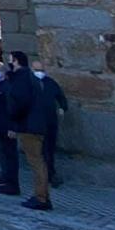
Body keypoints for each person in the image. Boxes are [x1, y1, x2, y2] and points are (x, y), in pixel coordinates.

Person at [7, 51, 52, 210]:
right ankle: (42, 195)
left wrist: (13, 119)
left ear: (17, 61)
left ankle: (41, 198)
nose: (9, 63)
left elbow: (21, 102)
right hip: (34, 124)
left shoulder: (22, 79)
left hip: (29, 126)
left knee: (36, 162)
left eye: (10, 60)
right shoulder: (30, 78)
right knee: (37, 161)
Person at [32, 59, 69, 187]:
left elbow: (61, 97)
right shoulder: (29, 84)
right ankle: (41, 176)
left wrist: (62, 107)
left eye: (41, 70)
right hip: (35, 123)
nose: (39, 73)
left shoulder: (50, 83)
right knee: (38, 151)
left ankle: (50, 174)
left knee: (49, 150)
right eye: (37, 70)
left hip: (49, 122)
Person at [0, 60, 21, 196]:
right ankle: (7, 181)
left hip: (6, 127)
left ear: (3, 73)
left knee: (10, 156)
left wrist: (13, 127)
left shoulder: (7, 87)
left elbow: (12, 109)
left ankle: (13, 185)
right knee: (3, 154)